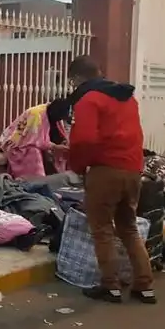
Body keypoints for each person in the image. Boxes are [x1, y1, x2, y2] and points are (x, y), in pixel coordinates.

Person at [66, 55, 155, 305]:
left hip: (105, 171)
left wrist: (79, 166)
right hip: (133, 169)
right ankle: (144, 286)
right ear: (100, 72)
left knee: (102, 229)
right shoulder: (127, 99)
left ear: (76, 79)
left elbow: (83, 140)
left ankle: (110, 286)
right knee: (128, 228)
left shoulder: (89, 100)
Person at [0, 99, 72, 180]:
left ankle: (60, 178)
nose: (59, 120)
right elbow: (32, 141)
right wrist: (54, 147)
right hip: (18, 143)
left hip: (38, 141)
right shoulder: (36, 115)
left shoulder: (54, 114)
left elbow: (56, 133)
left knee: (63, 151)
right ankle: (36, 180)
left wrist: (62, 143)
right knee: (33, 152)